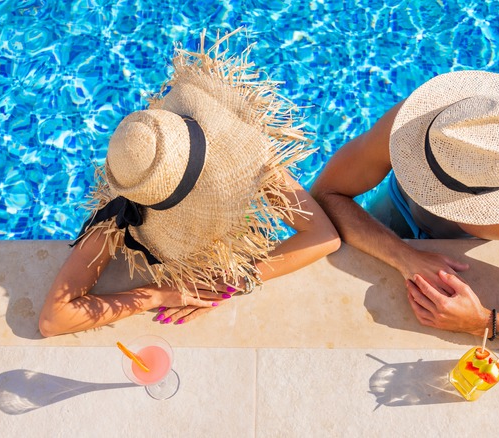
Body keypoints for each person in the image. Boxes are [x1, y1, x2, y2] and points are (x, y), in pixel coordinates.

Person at [39, 30, 340, 337]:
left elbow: (323, 236)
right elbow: (54, 318)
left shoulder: (246, 159)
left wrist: (231, 283)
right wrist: (155, 295)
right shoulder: (124, 204)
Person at [310, 70, 499, 352]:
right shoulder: (424, 125)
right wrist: (403, 256)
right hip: (398, 210)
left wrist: (484, 322)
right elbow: (325, 194)